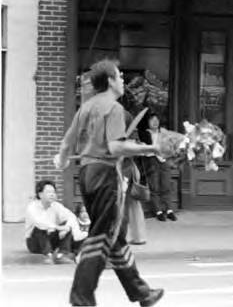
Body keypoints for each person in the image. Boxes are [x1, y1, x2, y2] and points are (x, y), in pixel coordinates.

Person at [53, 59, 164, 307]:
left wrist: (61, 161)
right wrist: (150, 147)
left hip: (87, 173)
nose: (123, 80)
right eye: (120, 76)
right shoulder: (112, 108)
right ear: (110, 81)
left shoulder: (86, 107)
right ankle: (81, 297)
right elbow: (116, 147)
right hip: (106, 175)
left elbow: (66, 145)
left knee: (115, 235)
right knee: (103, 235)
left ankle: (141, 293)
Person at [25, 180, 78, 264]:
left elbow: (71, 217)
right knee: (40, 228)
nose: (52, 194)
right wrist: (58, 227)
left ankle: (62, 255)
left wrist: (66, 227)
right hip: (35, 242)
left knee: (67, 225)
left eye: (53, 192)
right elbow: (39, 223)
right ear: (40, 194)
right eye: (49, 192)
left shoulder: (56, 205)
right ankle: (48, 256)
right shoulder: (32, 207)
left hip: (51, 239)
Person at [139, 112, 178, 222]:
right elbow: (142, 149)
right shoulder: (144, 134)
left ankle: (169, 210)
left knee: (166, 186)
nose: (155, 122)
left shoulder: (164, 133)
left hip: (164, 161)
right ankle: (158, 211)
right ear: (148, 122)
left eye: (157, 119)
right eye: (152, 120)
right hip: (151, 160)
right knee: (154, 187)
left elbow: (171, 146)